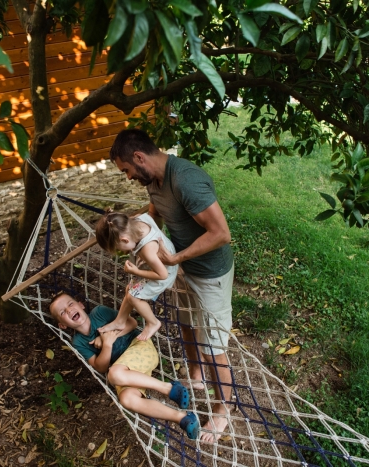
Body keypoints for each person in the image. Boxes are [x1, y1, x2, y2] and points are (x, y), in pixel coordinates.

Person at [109, 129, 235, 443]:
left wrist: (175, 256)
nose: (127, 177)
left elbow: (221, 233)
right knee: (188, 324)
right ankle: (195, 375)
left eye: (126, 170)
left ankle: (223, 412)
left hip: (209, 273)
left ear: (139, 158)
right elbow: (154, 215)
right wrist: (133, 234)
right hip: (180, 268)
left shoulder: (186, 180)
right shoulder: (152, 180)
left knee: (214, 348)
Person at [49, 292, 200, 439]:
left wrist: (110, 337)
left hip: (140, 347)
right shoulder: (79, 342)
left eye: (70, 304)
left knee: (114, 374)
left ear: (80, 305)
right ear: (62, 325)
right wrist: (107, 345)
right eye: (63, 312)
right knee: (127, 399)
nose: (69, 310)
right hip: (128, 374)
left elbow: (132, 323)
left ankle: (168, 388)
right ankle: (183, 418)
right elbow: (99, 367)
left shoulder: (99, 313)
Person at [94, 210, 179, 341]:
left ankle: (153, 322)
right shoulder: (136, 220)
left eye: (119, 248)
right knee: (130, 289)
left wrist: (136, 272)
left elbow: (162, 275)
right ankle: (120, 321)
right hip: (156, 264)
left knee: (134, 297)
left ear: (125, 240)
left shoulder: (147, 249)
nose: (123, 251)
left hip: (165, 272)